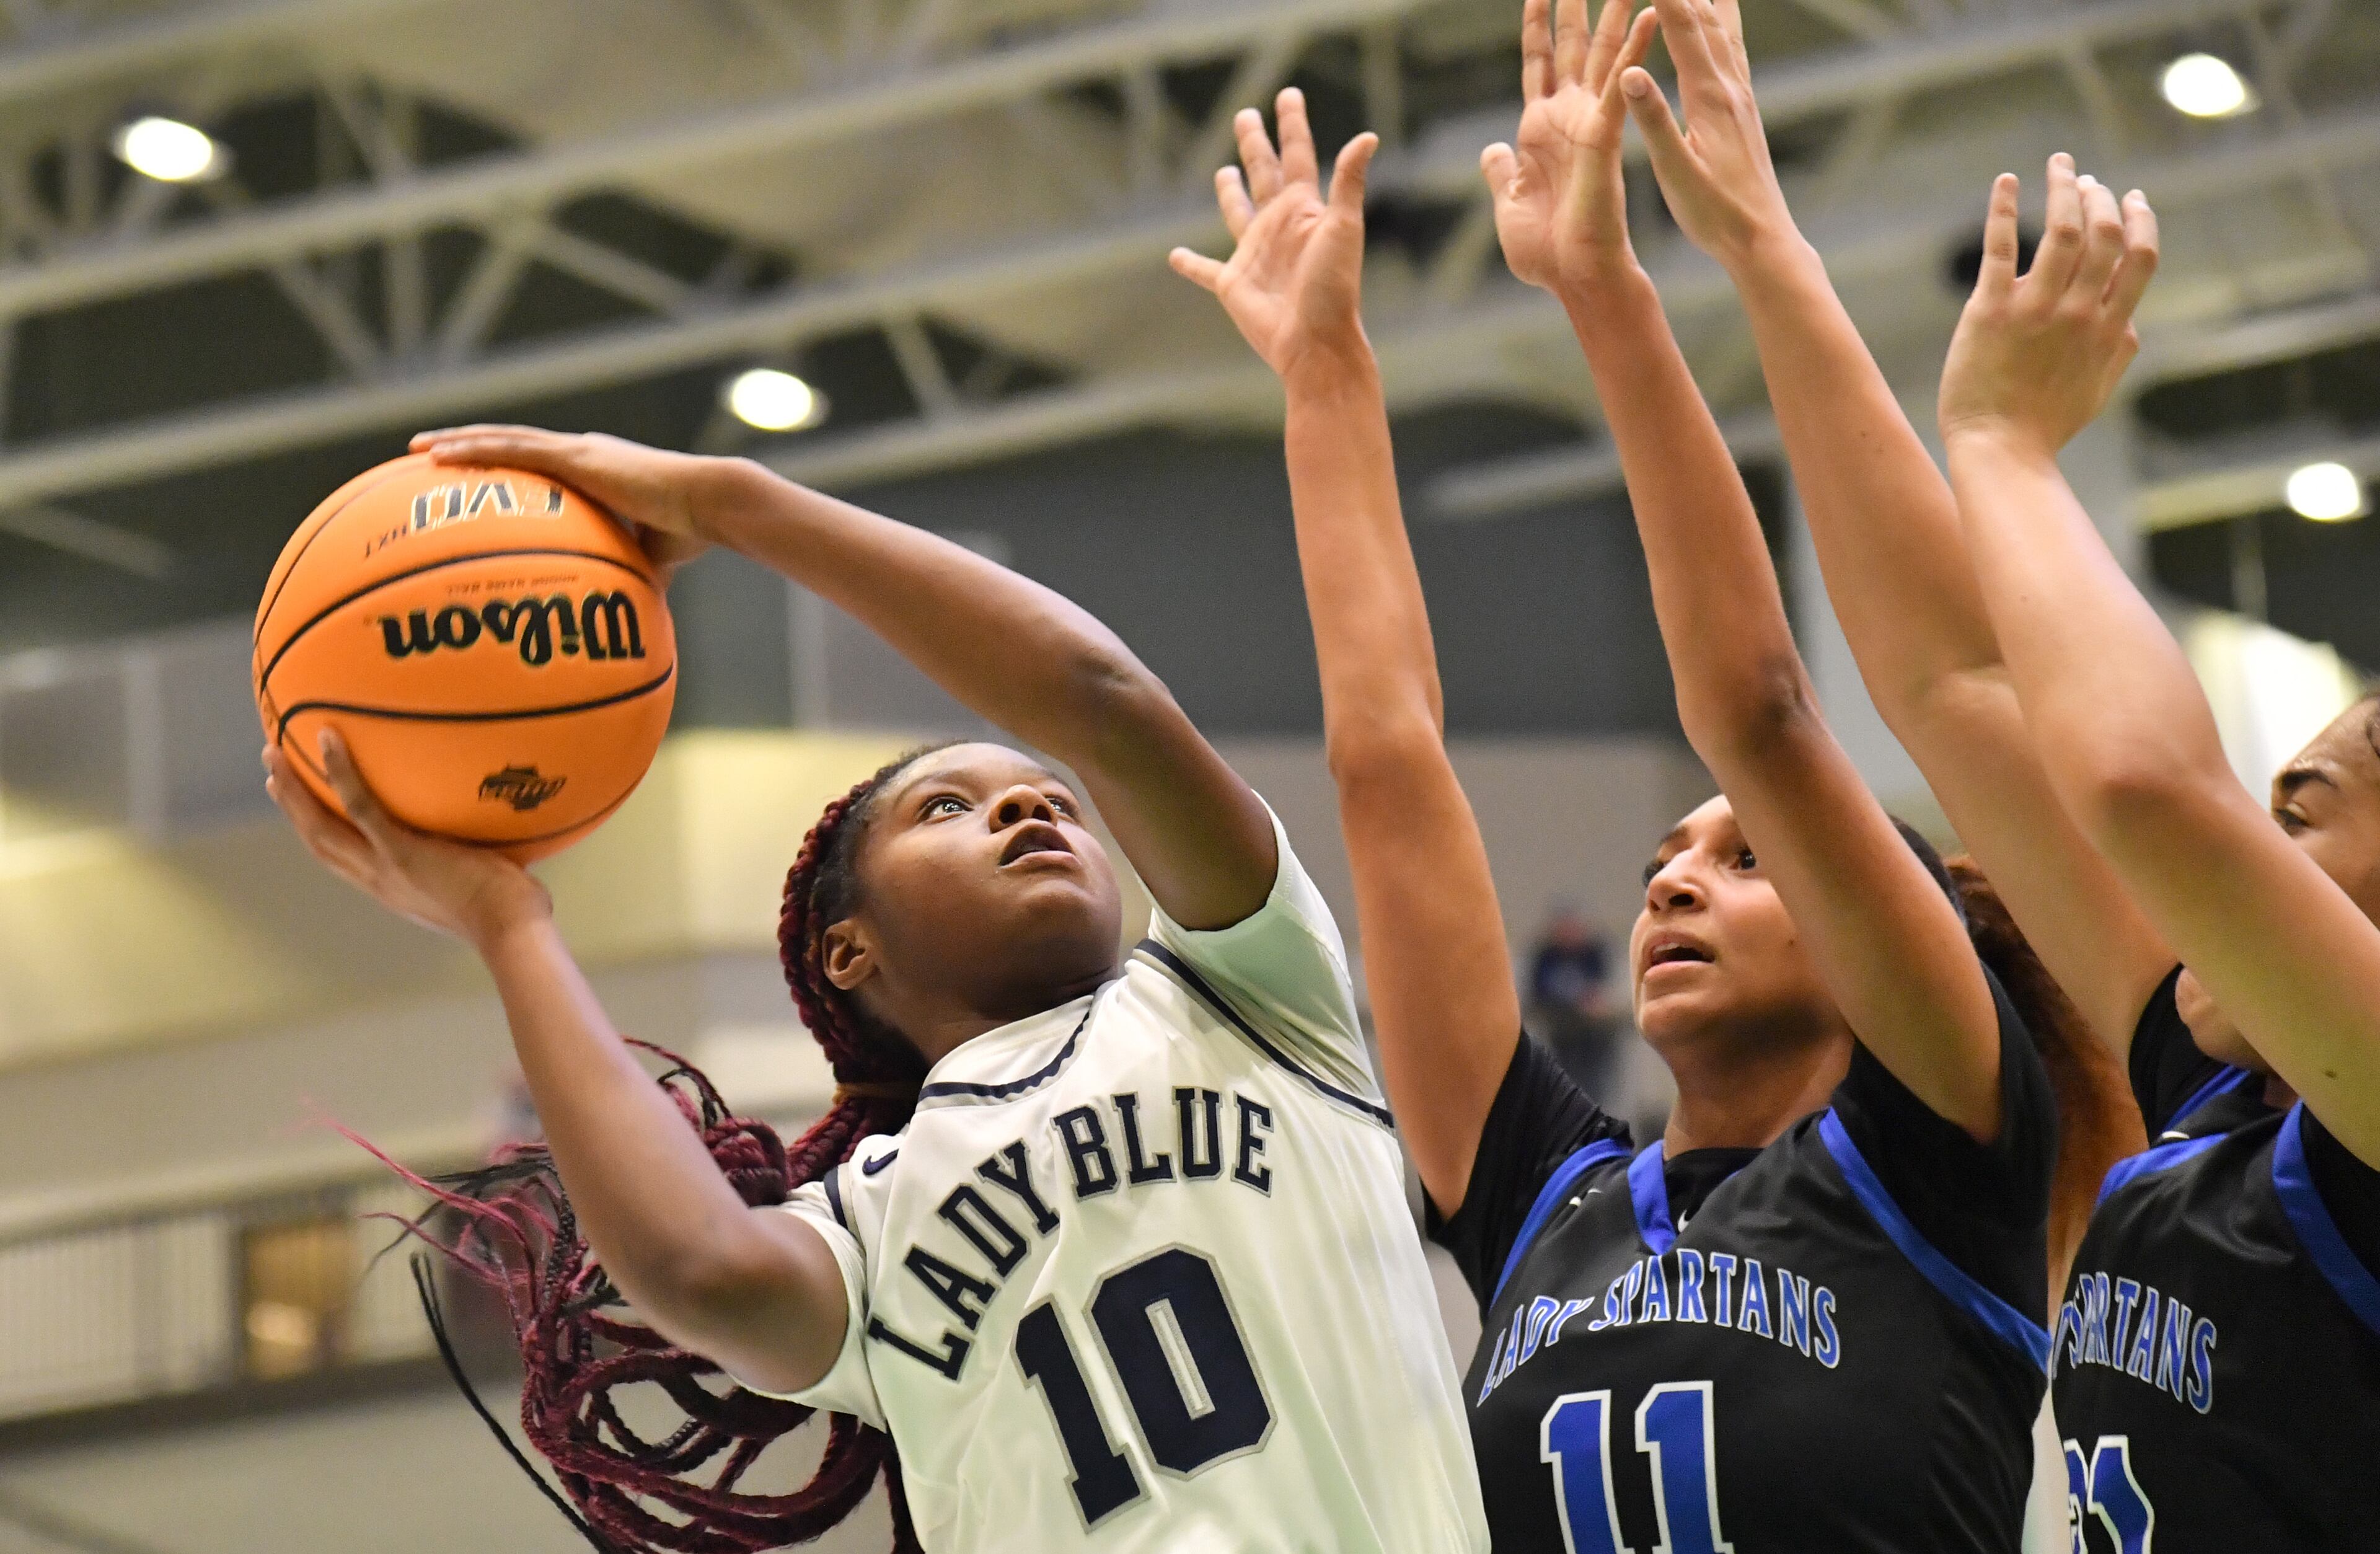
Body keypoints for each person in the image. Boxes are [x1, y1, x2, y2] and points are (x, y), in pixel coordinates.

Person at [1168, 9, 2099, 1550]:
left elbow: (1761, 710)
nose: (1672, 877)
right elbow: (1386, 765)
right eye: (1675, 853)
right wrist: (1326, 380)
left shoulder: (1939, 1145)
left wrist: (1603, 290)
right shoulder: (1547, 1194)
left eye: (1747, 862)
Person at [265, 418, 1489, 1548]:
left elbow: (1100, 704)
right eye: (945, 808)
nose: (1025, 801)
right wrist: (507, 921)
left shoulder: (1249, 993)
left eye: (1055, 798)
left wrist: (736, 504)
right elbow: (700, 1271)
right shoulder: (866, 1219)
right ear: (849, 949)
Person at [1921, 151, 2380, 1552]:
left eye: (2305, 809)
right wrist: (1756, 246)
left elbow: (2142, 785)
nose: (2289, 771)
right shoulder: (2218, 1108)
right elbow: (1946, 683)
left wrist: (2004, 443)